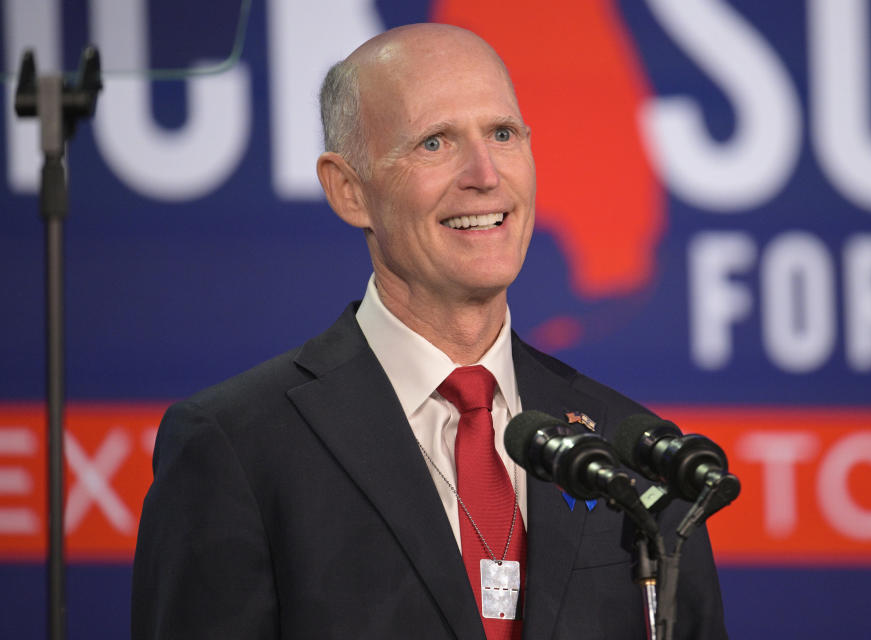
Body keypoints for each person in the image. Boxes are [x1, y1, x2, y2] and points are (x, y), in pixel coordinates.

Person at [131, 23, 728, 640]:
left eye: (502, 134)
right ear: (349, 190)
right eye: (435, 142)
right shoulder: (238, 447)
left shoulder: (632, 455)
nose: (485, 174)